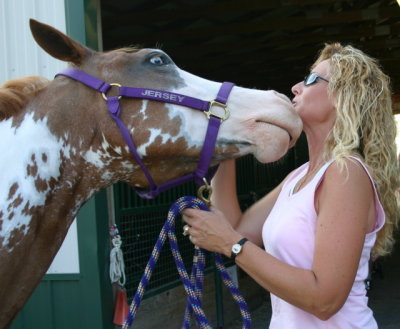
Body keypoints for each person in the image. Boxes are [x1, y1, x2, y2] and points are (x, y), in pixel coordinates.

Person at [182, 43, 400, 328]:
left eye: (311, 79)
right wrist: (227, 145)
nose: (296, 87)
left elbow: (325, 301)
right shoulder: (298, 176)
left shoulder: (346, 173)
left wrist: (231, 244)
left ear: (343, 96)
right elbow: (236, 227)